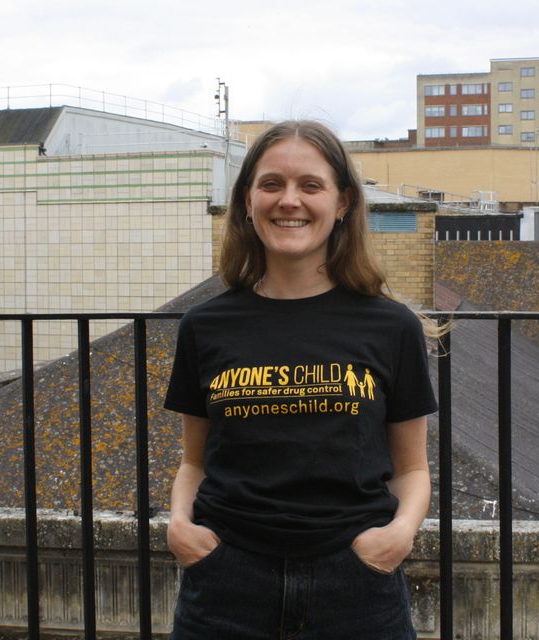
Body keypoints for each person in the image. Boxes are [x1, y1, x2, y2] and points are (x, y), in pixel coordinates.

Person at [164, 120, 438, 640]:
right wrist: (181, 527)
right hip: (225, 585)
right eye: (272, 184)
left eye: (310, 185)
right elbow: (194, 461)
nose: (289, 200)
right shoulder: (204, 327)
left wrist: (397, 537)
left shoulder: (391, 326)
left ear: (342, 204)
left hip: (356, 588)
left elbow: (413, 469)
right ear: (248, 200)